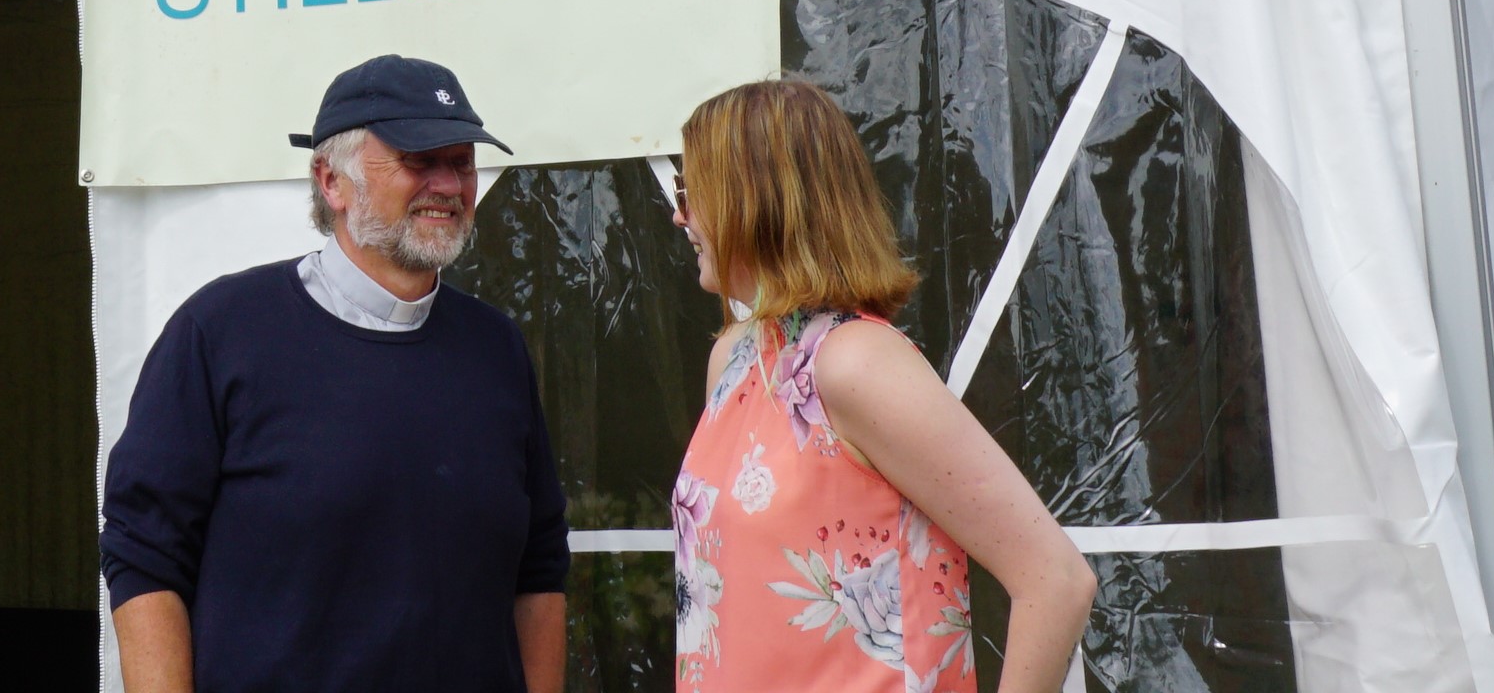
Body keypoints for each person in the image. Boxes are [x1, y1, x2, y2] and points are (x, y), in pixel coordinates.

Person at [99, 54, 570, 693]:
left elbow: (539, 569)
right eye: (417, 160)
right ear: (331, 181)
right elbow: (144, 555)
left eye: (461, 161)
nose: (448, 184)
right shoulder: (223, 331)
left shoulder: (496, 348)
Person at [669, 79, 1096, 693]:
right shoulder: (734, 357)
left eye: (693, 191)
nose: (679, 214)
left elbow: (1054, 579)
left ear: (754, 199)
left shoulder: (856, 363)